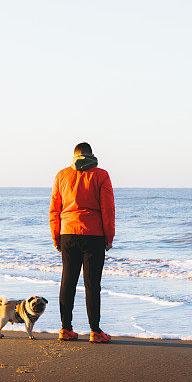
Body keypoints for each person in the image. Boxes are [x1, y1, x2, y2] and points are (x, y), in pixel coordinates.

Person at [49, 142, 115, 343]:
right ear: (92, 155)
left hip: (68, 233)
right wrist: (109, 237)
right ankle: (95, 331)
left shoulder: (62, 175)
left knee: (67, 282)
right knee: (92, 284)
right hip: (94, 235)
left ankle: (65, 329)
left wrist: (56, 236)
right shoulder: (101, 175)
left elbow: (54, 209)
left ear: (74, 155)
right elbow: (108, 209)